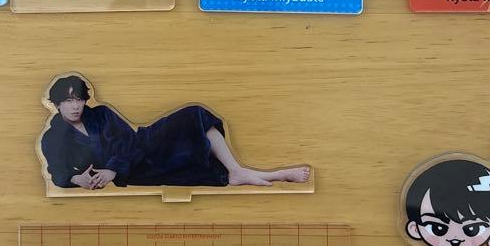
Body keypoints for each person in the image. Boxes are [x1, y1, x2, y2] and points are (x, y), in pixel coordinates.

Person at [38, 74, 311, 190]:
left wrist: (111, 169)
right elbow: (58, 171)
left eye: (79, 99)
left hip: (145, 145)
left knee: (194, 115)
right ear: (57, 103)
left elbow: (129, 142)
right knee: (206, 173)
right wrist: (77, 180)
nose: (75, 106)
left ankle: (238, 169)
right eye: (68, 100)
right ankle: (273, 175)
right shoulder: (53, 138)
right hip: (138, 173)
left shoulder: (101, 114)